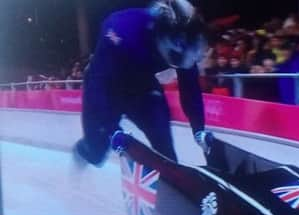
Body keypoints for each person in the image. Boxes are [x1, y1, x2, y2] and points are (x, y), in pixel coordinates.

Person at [73, 0, 214, 166]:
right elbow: (99, 84)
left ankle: (169, 177)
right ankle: (85, 150)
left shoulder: (184, 47)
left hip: (143, 86)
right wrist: (112, 129)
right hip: (106, 85)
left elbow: (190, 87)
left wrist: (198, 129)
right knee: (96, 153)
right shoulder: (122, 30)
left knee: (164, 146)